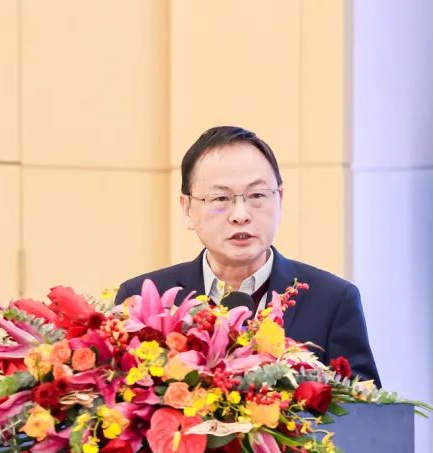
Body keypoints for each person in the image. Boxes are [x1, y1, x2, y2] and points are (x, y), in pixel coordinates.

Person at [116, 126, 381, 386]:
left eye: (257, 195)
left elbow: (367, 409)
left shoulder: (332, 301)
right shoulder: (143, 300)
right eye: (221, 198)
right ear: (187, 209)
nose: (240, 215)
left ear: (279, 200)